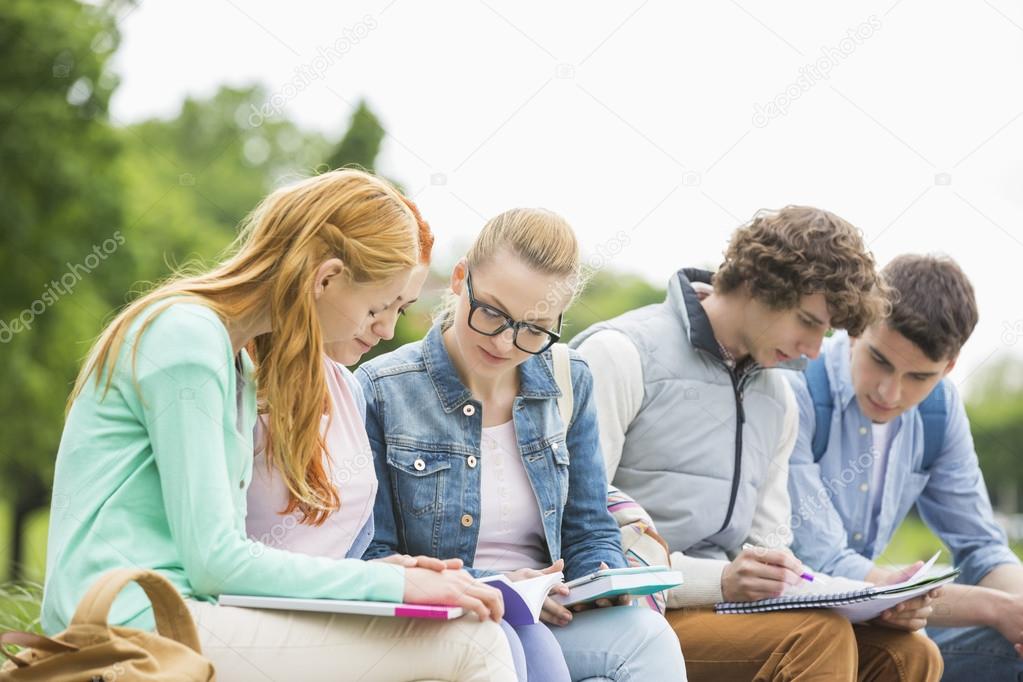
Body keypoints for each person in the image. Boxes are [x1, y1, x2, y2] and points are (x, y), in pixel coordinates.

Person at [41, 169, 516, 682]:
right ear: (327, 277)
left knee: (455, 634)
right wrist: (392, 587)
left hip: (177, 614)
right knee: (473, 644)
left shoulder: (234, 359)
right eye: (378, 307)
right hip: (125, 627)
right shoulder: (187, 339)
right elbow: (215, 562)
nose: (383, 329)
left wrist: (379, 575)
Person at [572, 206, 943, 680]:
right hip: (631, 616)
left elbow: (772, 546)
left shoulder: (778, 399)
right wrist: (721, 581)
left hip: (724, 611)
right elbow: (577, 529)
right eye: (807, 322)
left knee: (910, 653)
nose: (813, 350)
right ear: (756, 284)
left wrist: (871, 599)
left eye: (824, 333)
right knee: (816, 637)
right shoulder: (620, 355)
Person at [359, 208, 688, 681]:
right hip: (446, 619)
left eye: (534, 328)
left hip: (553, 614)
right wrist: (496, 587)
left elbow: (588, 526)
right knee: (520, 648)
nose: (506, 342)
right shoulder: (383, 388)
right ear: (459, 280)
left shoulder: (569, 379)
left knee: (648, 637)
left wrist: (601, 582)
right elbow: (375, 556)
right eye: (492, 311)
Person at [787, 253, 1023, 680]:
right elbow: (824, 563)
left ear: (947, 369)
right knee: (921, 648)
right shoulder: (798, 387)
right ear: (856, 330)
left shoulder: (940, 408)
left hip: (878, 620)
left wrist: (1019, 609)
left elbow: (982, 547)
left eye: (918, 377)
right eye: (880, 360)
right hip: (797, 621)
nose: (890, 392)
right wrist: (996, 607)